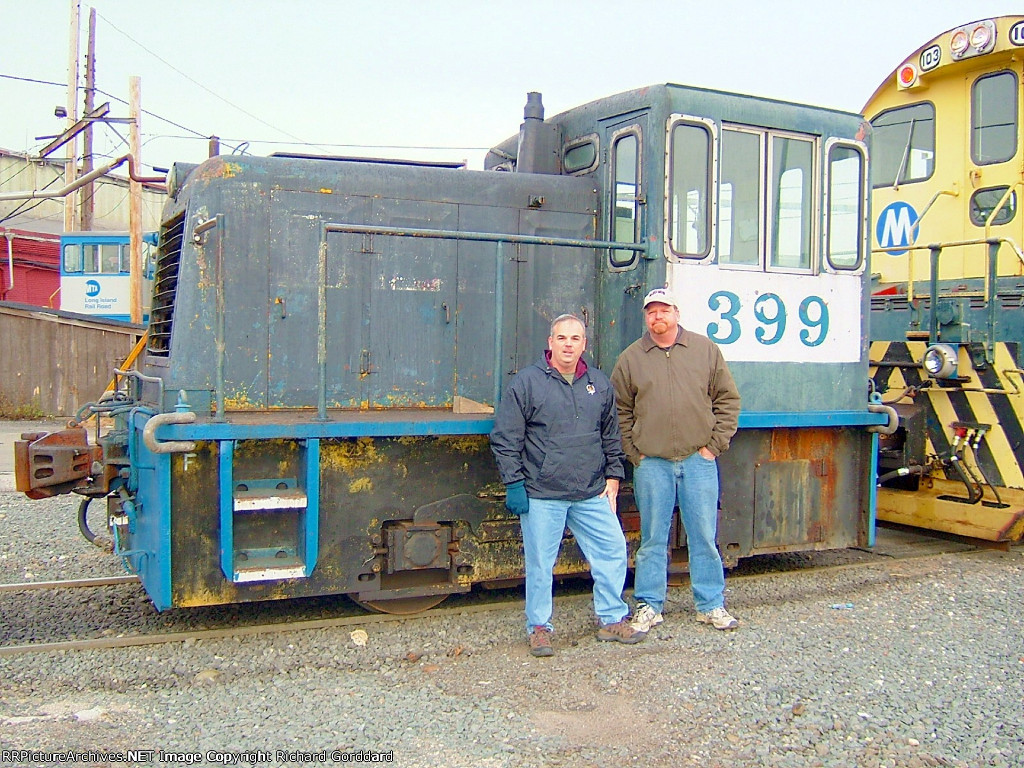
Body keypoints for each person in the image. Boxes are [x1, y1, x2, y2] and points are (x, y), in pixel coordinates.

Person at [490, 314, 644, 656]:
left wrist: (614, 476)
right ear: (550, 342)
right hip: (544, 493)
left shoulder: (599, 384)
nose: (568, 344)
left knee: (613, 550)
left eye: (575, 338)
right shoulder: (527, 383)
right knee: (542, 564)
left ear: (584, 344)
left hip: (590, 492)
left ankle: (611, 618)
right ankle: (540, 627)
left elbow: (610, 436)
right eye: (562, 338)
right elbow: (505, 437)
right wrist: (514, 483)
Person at [610, 287, 741, 632]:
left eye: (663, 310)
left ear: (676, 313)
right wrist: (635, 453)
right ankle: (649, 605)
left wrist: (713, 447)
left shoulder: (705, 350)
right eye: (651, 312)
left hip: (699, 461)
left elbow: (727, 400)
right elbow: (619, 411)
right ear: (646, 318)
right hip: (652, 464)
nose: (658, 317)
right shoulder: (630, 358)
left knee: (703, 535)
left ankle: (710, 604)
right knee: (652, 538)